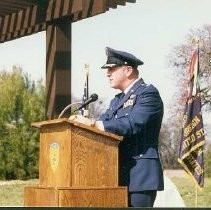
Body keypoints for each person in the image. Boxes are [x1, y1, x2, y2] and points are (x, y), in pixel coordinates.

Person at [69, 47, 164, 207]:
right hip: (114, 173)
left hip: (139, 176)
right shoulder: (116, 101)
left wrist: (93, 123)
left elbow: (132, 124)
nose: (108, 74)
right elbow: (102, 124)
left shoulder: (148, 94)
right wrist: (80, 124)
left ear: (128, 70)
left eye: (112, 69)